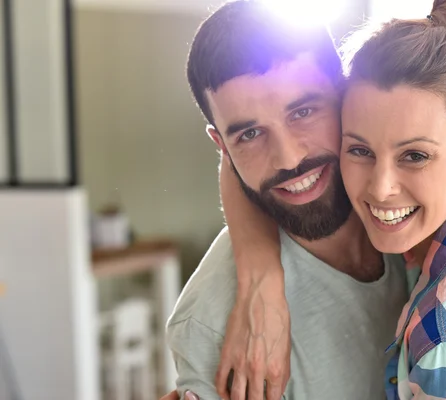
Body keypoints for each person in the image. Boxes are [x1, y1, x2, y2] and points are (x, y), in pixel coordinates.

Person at [217, 0, 446, 398]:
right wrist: (259, 274)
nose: (381, 188)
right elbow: (251, 154)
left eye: (414, 156)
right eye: (360, 150)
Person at [165, 1, 409, 399]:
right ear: (222, 147)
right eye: (249, 135)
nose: (290, 159)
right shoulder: (213, 323)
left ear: (346, 95)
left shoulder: (421, 204)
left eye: (304, 111)